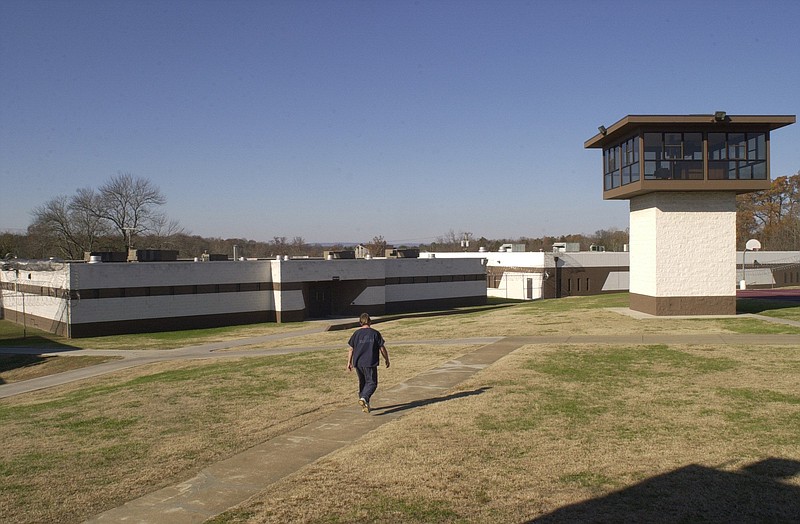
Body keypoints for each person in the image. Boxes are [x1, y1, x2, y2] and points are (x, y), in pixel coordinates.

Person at [346, 312, 390, 413]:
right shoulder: (375, 333)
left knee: (363, 383)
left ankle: (365, 404)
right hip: (369, 362)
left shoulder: (356, 334)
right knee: (372, 383)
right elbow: (382, 348)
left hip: (358, 362)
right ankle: (364, 398)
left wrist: (349, 362)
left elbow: (351, 349)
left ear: (360, 322)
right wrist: (386, 359)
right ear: (370, 321)